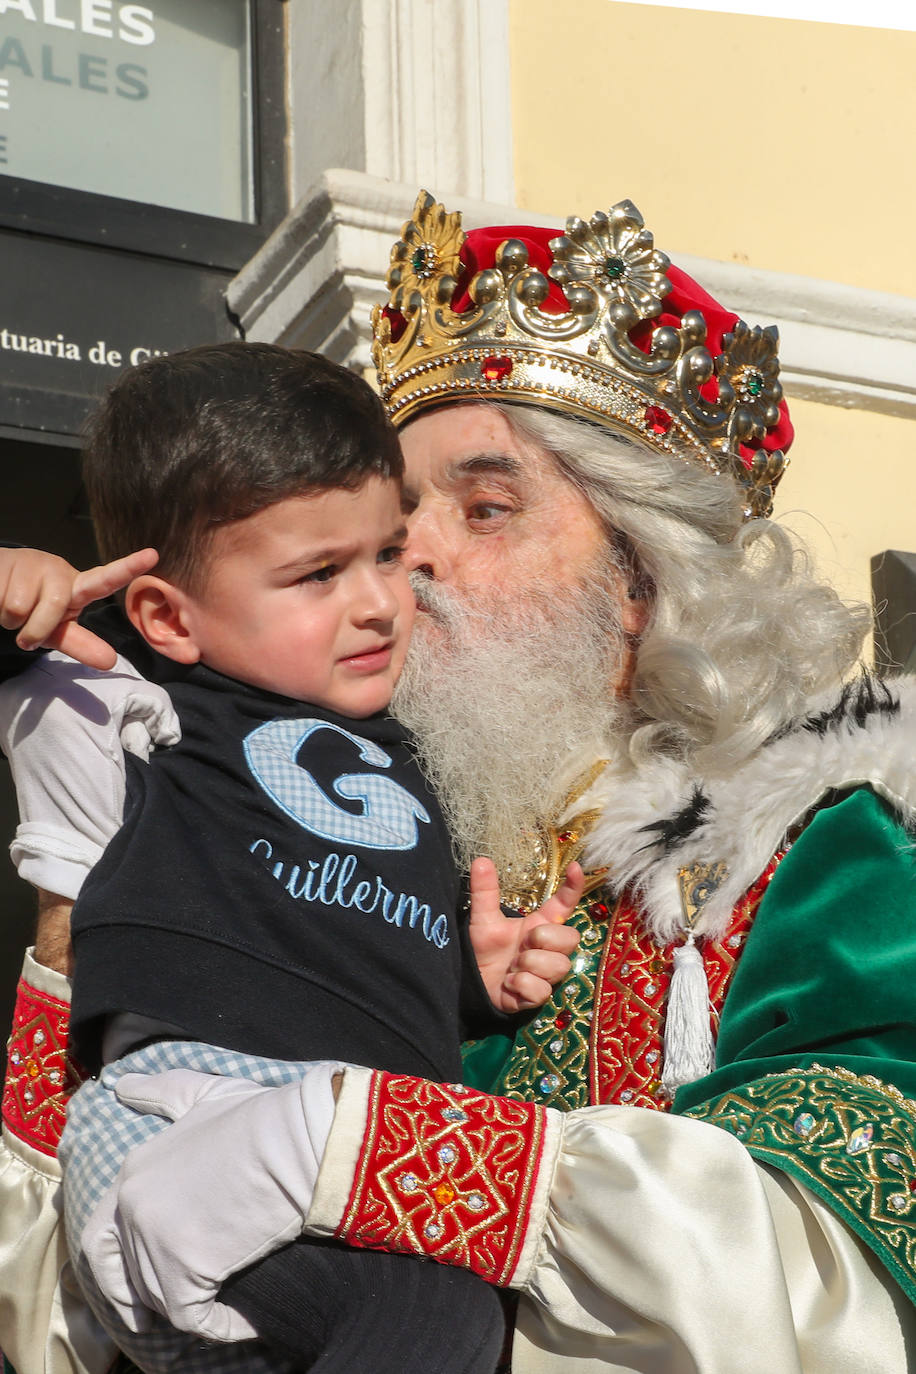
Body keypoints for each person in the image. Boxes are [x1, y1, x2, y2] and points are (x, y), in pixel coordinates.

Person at [2, 190, 916, 1373]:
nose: (408, 562)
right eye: (384, 528)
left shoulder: (812, 856)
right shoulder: (296, 842)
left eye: (481, 508)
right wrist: (83, 883)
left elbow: (828, 1276)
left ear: (643, 583)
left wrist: (354, 1146)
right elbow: (58, 1313)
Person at [0, 341, 584, 1374]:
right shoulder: (155, 696)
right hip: (188, 1116)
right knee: (434, 1321)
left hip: (325, 1158)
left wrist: (469, 978)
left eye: (387, 553)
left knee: (436, 1327)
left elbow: (344, 949)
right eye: (318, 573)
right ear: (168, 616)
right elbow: (44, 681)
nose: (378, 601)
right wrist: (23, 603)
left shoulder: (412, 748)